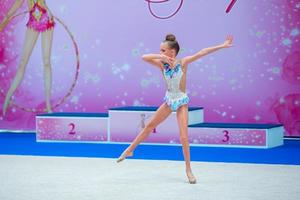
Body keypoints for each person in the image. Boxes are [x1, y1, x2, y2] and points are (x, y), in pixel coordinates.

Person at [117, 33, 233, 184]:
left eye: (163, 51)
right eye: (160, 51)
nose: (160, 53)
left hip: (181, 101)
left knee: (184, 136)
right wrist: (162, 58)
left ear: (172, 52)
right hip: (169, 100)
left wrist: (222, 45)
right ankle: (130, 150)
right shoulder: (161, 65)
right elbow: (144, 57)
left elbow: (202, 52)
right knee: (150, 125)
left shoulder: (183, 63)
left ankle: (188, 170)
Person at [0, 0, 55, 115]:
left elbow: (42, 4)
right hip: (33, 22)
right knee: (22, 63)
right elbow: (11, 12)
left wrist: (48, 12)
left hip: (46, 19)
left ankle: (48, 105)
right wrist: (2, 26)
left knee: (46, 62)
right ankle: (7, 99)